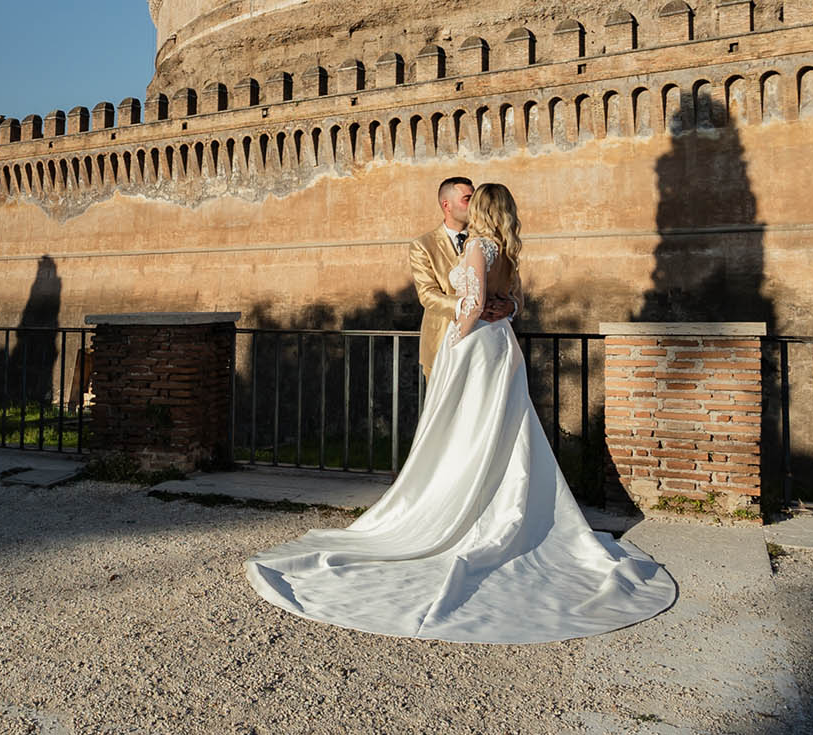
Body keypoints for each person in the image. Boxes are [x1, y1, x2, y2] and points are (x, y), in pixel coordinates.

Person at [245, 182, 677, 643]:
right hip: (492, 346)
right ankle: (490, 505)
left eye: (476, 196)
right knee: (485, 429)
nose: (470, 201)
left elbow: (488, 304)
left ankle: (459, 509)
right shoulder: (456, 246)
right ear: (447, 204)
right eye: (463, 196)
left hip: (472, 346)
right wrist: (494, 310)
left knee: (472, 429)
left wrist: (474, 323)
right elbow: (433, 296)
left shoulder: (478, 245)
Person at [407, 176, 517, 383]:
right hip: (443, 339)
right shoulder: (423, 245)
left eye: (476, 198)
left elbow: (515, 291)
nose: (474, 204)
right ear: (446, 205)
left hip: (486, 337)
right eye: (468, 198)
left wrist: (510, 307)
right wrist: (468, 306)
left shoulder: (494, 243)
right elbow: (427, 294)